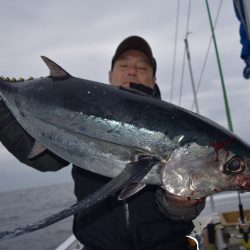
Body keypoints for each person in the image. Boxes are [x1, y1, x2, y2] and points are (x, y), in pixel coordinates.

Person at [0, 36, 205, 250]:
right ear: (110, 76)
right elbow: (45, 160)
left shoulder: (179, 130)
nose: (132, 71)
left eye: (142, 67)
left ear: (154, 80)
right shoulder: (80, 113)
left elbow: (183, 210)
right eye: (124, 65)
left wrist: (181, 204)